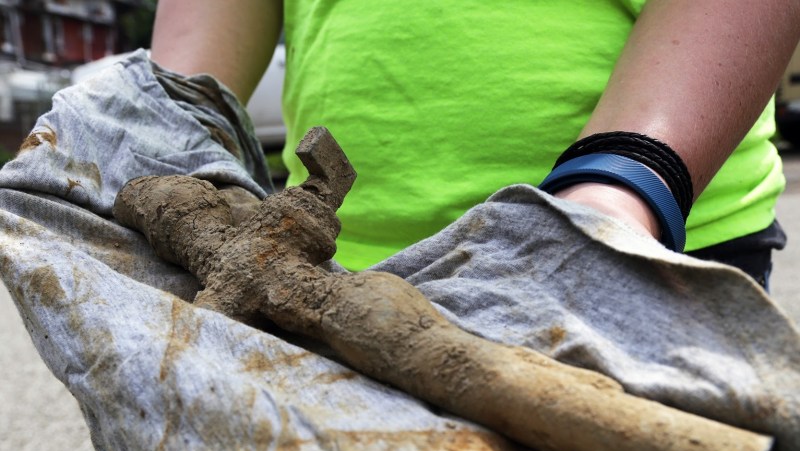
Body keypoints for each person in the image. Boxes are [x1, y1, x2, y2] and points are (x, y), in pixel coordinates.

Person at [150, 1, 800, 285]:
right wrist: (160, 144)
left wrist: (623, 184)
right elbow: (201, 38)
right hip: (339, 263)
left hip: (643, 240)